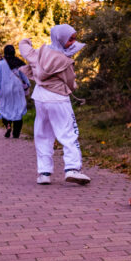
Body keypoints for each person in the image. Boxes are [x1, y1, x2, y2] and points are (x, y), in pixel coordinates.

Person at [19, 25, 91, 185]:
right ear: (60, 39)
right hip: (58, 98)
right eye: (70, 39)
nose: (73, 42)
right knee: (68, 133)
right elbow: (71, 82)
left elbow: (25, 51)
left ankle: (44, 173)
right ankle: (72, 169)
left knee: (42, 134)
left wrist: (25, 41)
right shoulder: (64, 60)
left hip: (39, 97)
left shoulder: (41, 53)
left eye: (74, 38)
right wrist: (73, 88)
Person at [0, 45, 30, 138]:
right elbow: (24, 76)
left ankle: (8, 125)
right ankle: (16, 133)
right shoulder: (18, 62)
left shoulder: (0, 63)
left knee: (5, 109)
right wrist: (27, 85)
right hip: (18, 89)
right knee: (18, 110)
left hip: (5, 89)